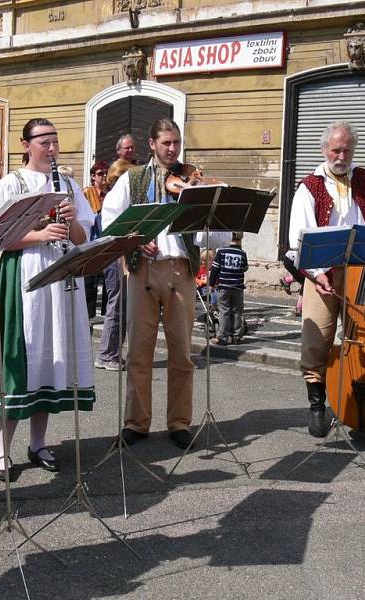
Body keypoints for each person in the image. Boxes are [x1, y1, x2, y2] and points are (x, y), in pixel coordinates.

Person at [0, 118, 96, 482]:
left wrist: (73, 220)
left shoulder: (70, 185)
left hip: (60, 280)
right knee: (21, 360)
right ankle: (2, 449)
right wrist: (41, 233)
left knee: (49, 361)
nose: (52, 148)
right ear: (26, 144)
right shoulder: (11, 184)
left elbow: (79, 239)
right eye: (44, 141)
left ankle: (38, 443)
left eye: (55, 140)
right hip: (25, 277)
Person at [101, 118, 229, 450]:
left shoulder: (192, 179)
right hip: (142, 269)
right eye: (167, 143)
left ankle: (179, 423)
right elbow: (109, 220)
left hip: (180, 271)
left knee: (181, 355)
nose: (173, 149)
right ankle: (136, 422)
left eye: (176, 143)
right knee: (140, 352)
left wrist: (206, 213)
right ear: (152, 144)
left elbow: (218, 235)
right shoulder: (133, 178)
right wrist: (134, 238)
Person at [288, 120, 365, 438]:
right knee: (317, 341)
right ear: (325, 149)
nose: (341, 155)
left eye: (347, 149)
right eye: (336, 149)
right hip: (323, 274)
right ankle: (316, 407)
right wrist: (317, 274)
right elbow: (299, 237)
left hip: (362, 272)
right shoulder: (309, 186)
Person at [94, 158, 133, 371]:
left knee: (120, 304)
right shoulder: (116, 198)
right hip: (115, 257)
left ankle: (111, 352)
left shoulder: (115, 196)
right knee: (117, 304)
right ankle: (107, 354)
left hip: (116, 255)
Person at [208, 232, 249, 345]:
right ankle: (237, 336)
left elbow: (215, 268)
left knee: (224, 311)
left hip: (224, 286)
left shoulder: (221, 252)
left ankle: (223, 336)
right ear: (241, 238)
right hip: (238, 287)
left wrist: (211, 283)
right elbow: (245, 268)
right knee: (237, 312)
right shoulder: (242, 253)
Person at [82, 160, 110, 319]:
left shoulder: (111, 193)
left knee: (108, 278)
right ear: (93, 176)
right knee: (90, 279)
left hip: (106, 238)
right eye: (100, 174)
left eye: (106, 173)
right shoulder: (87, 192)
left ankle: (107, 313)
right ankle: (89, 315)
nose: (104, 176)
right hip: (92, 239)